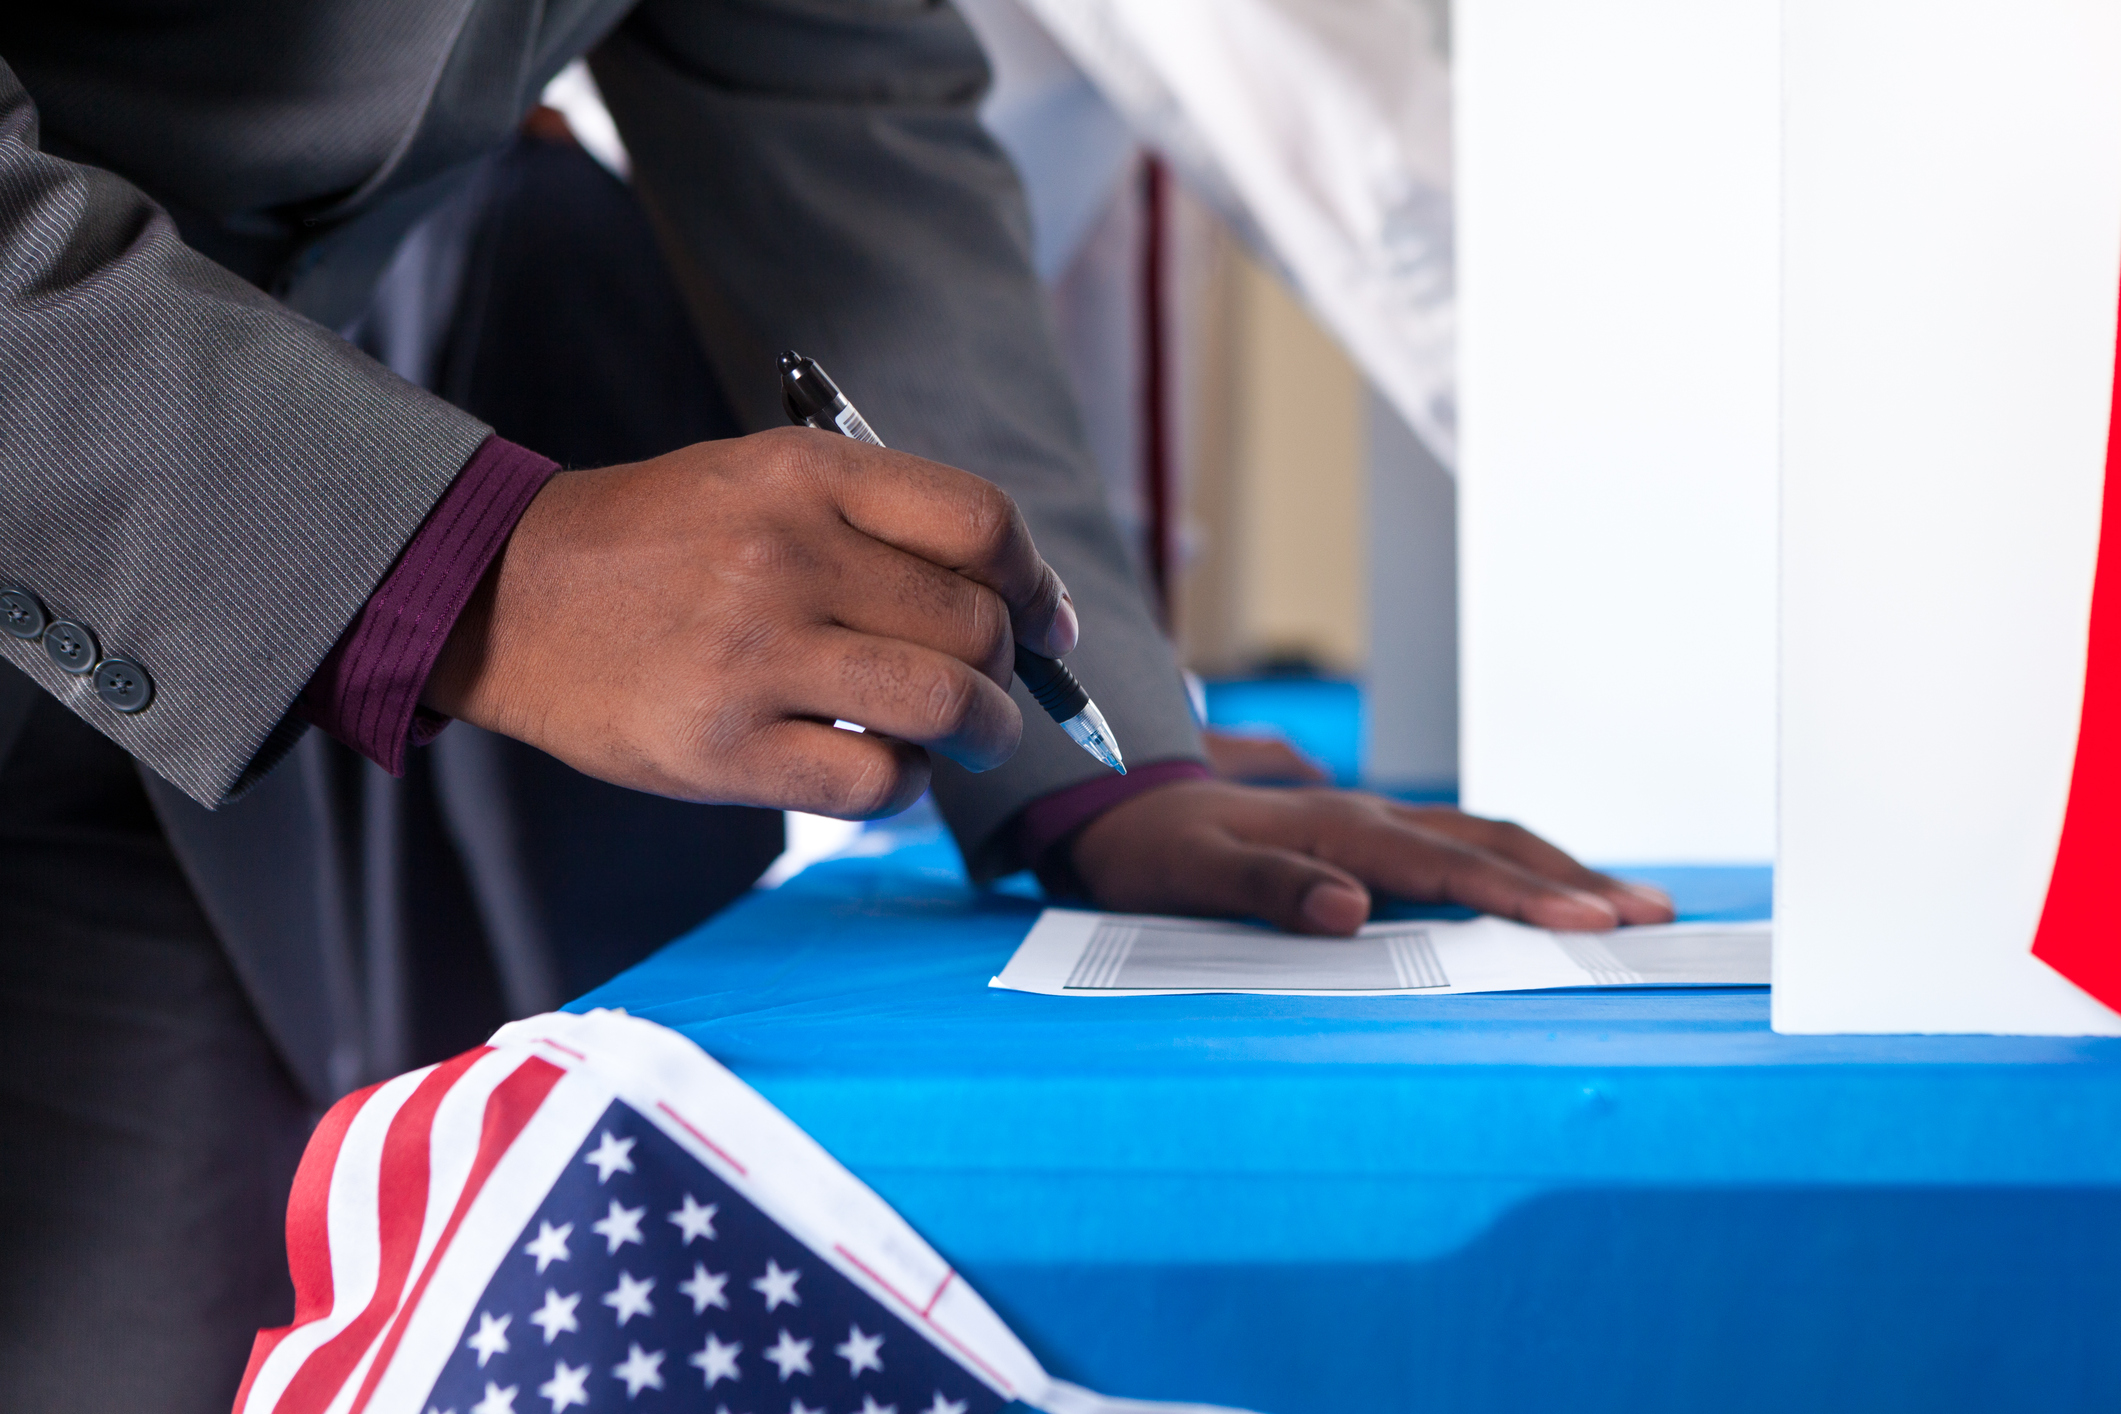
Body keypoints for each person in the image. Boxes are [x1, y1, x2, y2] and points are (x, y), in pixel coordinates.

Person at [0, 6, 1673, 1412]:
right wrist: (463, 559)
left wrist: (1083, 744)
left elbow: (828, 103)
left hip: (170, 669)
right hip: (215, 513)